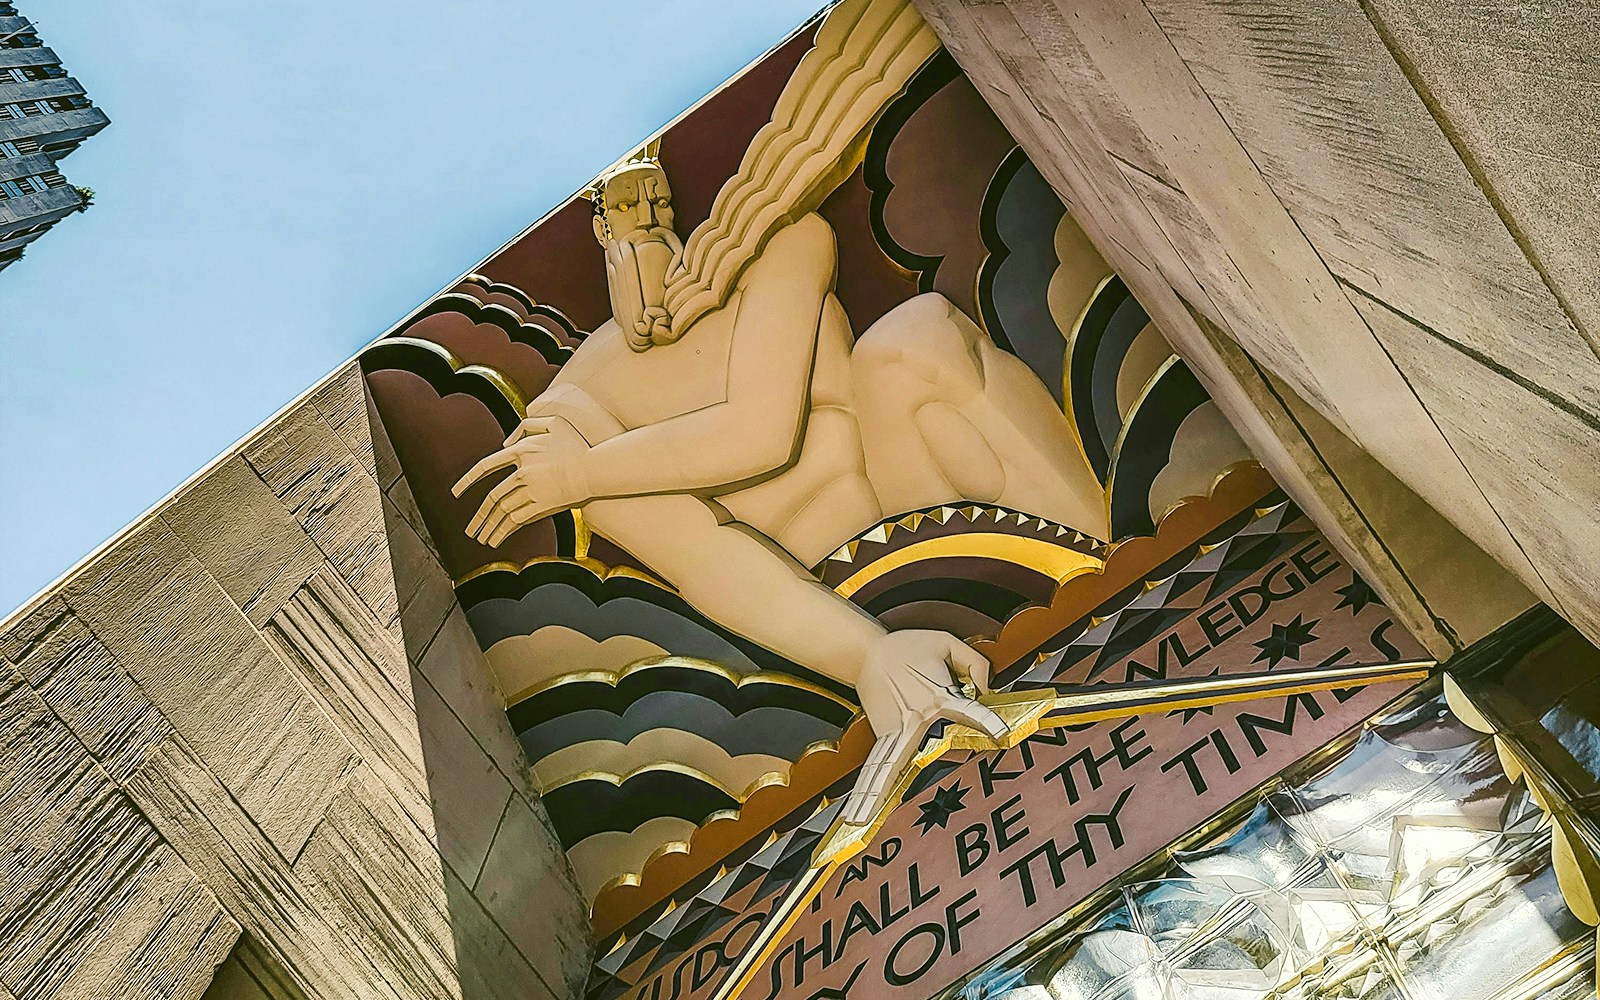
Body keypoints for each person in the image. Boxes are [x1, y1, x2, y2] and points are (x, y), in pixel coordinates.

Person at [454, 158, 1107, 823]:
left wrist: (583, 474)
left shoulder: (773, 244)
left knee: (913, 339)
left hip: (933, 501)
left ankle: (1109, 573)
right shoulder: (571, 406)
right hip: (838, 601)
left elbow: (760, 430)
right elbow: (702, 557)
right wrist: (866, 653)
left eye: (655, 198)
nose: (647, 221)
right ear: (599, 229)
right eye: (626, 209)